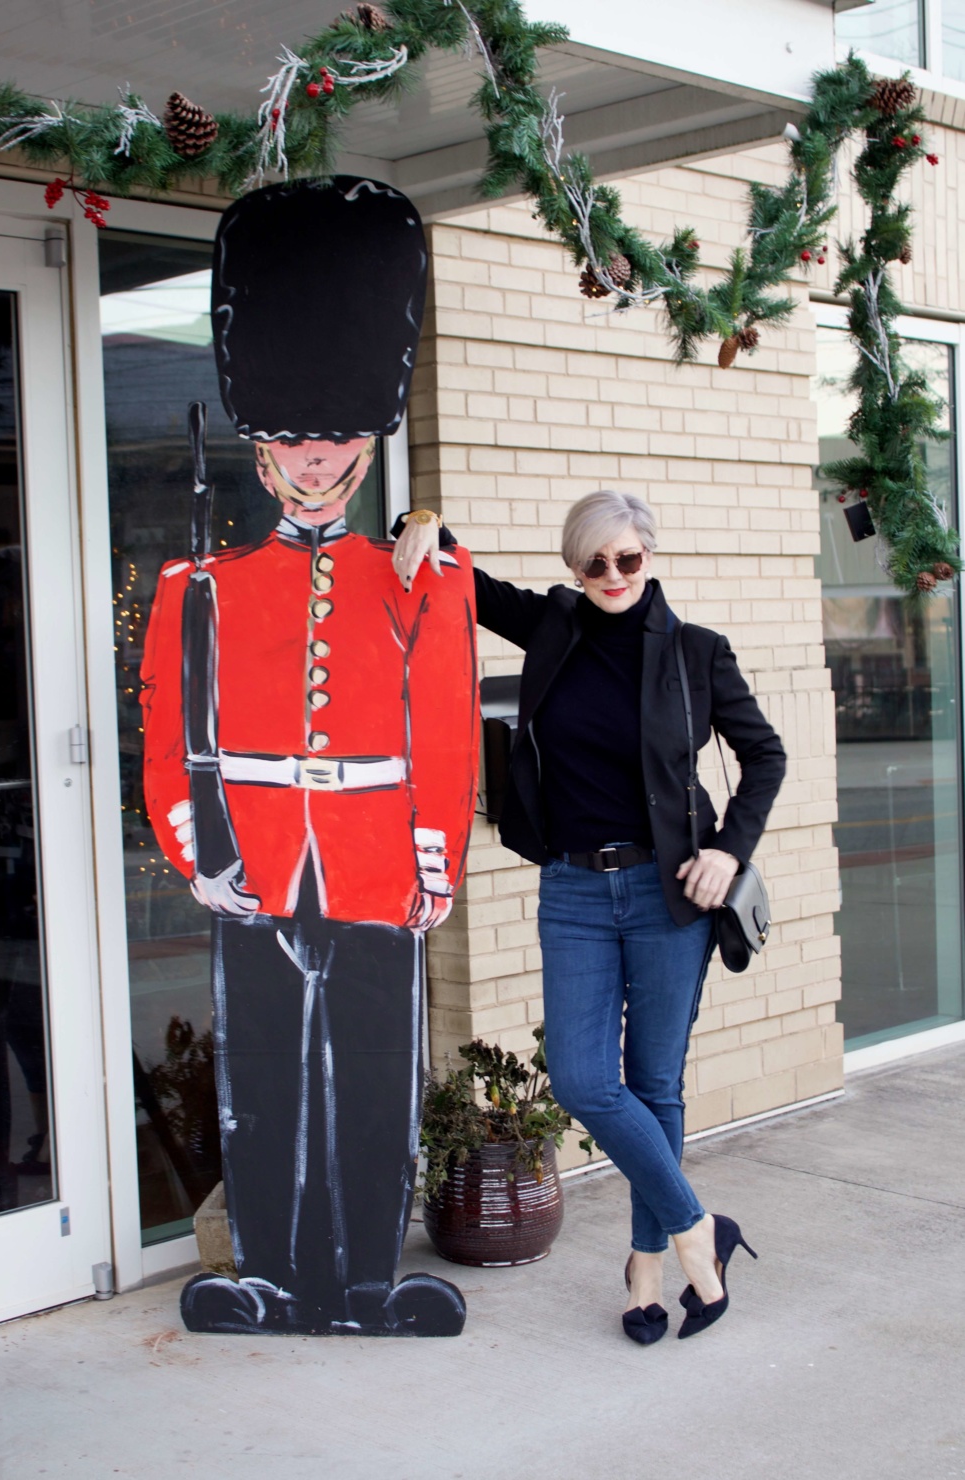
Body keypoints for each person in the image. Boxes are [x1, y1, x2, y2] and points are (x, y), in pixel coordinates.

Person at [141, 178, 478, 1338]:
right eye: (292, 436)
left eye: (336, 434)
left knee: (380, 1075)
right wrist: (200, 854)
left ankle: (368, 1277)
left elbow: (441, 726)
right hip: (261, 858)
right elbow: (168, 736)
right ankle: (272, 1275)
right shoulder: (201, 590)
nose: (317, 456)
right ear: (260, 441)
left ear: (370, 432)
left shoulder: (421, 575)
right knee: (265, 1080)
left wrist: (436, 862)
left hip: (378, 856)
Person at [393, 488, 786, 1343]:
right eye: (592, 563)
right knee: (580, 1078)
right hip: (572, 891)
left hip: (666, 891)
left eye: (626, 559)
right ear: (574, 569)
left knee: (652, 1086)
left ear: (650, 556)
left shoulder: (695, 653)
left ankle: (646, 1270)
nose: (611, 575)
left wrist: (728, 849)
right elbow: (471, 583)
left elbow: (764, 754)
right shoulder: (555, 628)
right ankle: (698, 1231)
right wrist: (419, 527)